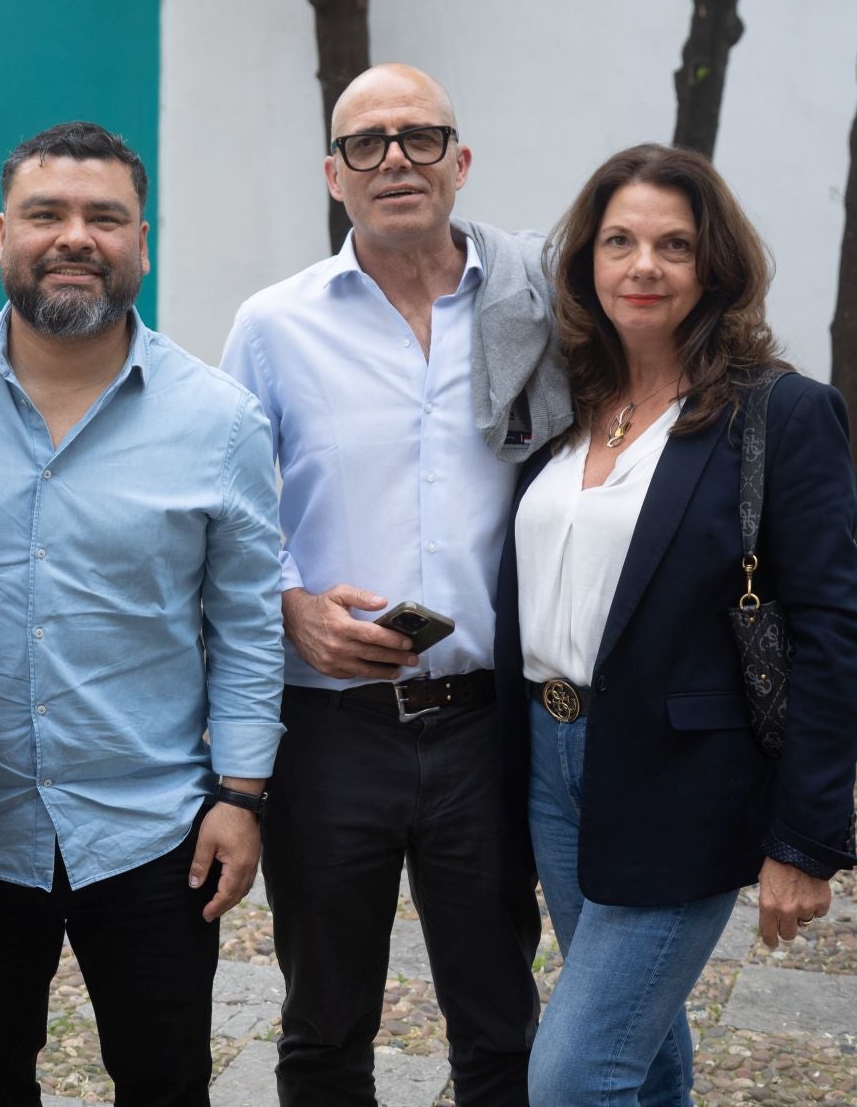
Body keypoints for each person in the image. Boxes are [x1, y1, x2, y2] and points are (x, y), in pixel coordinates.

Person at [0, 121, 284, 1106]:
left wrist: (241, 796)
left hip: (154, 830)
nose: (74, 237)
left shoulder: (220, 421)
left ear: (142, 241)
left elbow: (246, 622)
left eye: (104, 217)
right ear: (1, 238)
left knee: (166, 1080)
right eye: (45, 214)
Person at [498, 144, 857, 1104]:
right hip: (550, 762)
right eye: (619, 241)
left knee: (576, 1073)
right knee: (642, 1042)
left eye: (675, 245)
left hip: (686, 780)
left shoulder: (779, 414)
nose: (645, 266)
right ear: (587, 261)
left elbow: (841, 633)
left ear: (715, 266)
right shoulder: (565, 405)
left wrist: (806, 839)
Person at [220, 64, 567, 1106]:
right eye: (365, 144)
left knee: (500, 1021)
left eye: (421, 137)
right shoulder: (273, 326)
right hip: (331, 727)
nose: (395, 160)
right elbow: (230, 511)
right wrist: (291, 607)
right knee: (325, 1025)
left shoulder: (539, 308)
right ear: (335, 175)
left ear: (461, 162)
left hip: (486, 725)